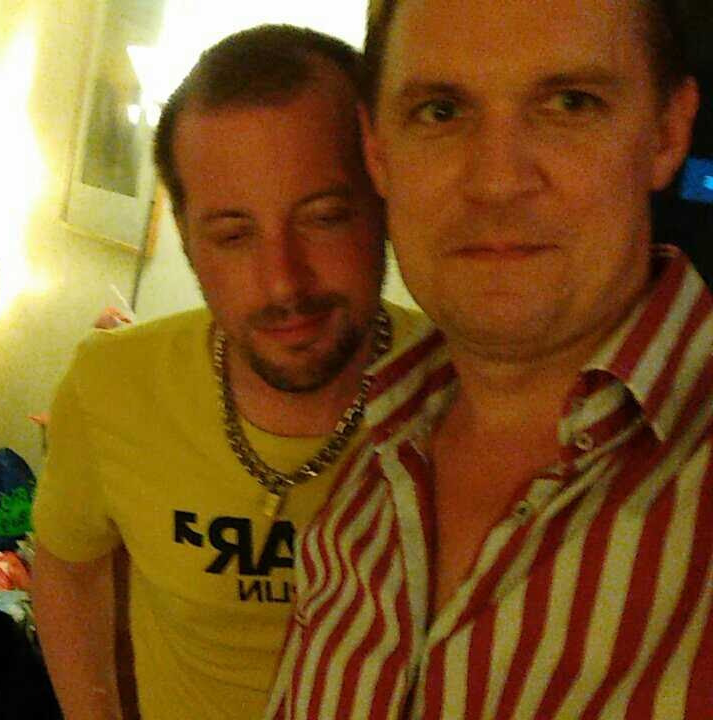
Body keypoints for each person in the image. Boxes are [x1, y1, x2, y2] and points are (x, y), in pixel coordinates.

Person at [266, 0, 711, 718]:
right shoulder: (366, 474)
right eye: (441, 112)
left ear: (666, 132)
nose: (497, 181)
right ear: (378, 152)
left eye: (570, 103)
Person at [31, 24, 424, 720]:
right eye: (234, 235)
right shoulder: (112, 384)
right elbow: (67, 563)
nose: (283, 283)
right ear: (188, 241)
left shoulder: (474, 389)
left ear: (385, 201)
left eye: (325, 217)